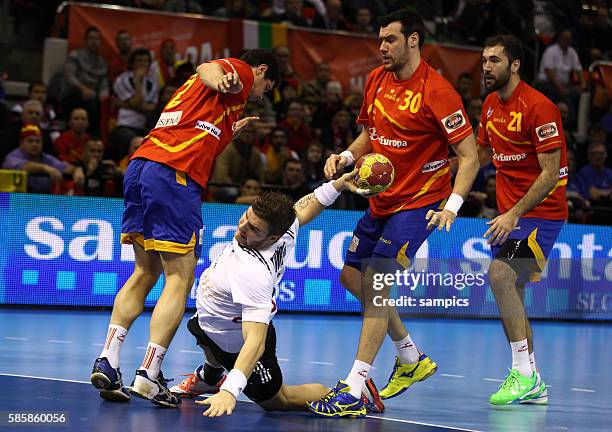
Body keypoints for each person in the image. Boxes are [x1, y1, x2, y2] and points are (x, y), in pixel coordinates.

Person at [307, 9, 479, 418]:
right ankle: (410, 356)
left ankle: (354, 385)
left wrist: (452, 206)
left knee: (377, 280)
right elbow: (371, 132)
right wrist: (346, 155)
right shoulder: (376, 79)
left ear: (414, 40)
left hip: (419, 203)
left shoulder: (438, 92)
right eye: (380, 39)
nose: (381, 47)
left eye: (390, 40)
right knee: (351, 276)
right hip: (381, 198)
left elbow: (469, 157)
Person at [89, 49, 279, 408]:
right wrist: (222, 76)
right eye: (266, 88)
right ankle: (148, 373)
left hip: (142, 166)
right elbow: (208, 68)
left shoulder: (217, 105)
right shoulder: (238, 75)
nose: (260, 95)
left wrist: (228, 133)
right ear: (262, 71)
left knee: (144, 271)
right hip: (174, 175)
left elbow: (202, 135)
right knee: (179, 277)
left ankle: (108, 360)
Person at [168, 172, 384, 416]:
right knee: (198, 329)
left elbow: (255, 341)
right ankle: (210, 375)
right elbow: (302, 209)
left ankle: (356, 394)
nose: (242, 228)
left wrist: (231, 389)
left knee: (278, 400)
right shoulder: (279, 227)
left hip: (239, 341)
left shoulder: (253, 272)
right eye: (246, 217)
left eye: (253, 229)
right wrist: (337, 185)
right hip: (213, 323)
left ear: (272, 237)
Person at [478, 34, 568, 405]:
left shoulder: (539, 106)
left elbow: (550, 173)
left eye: (495, 60)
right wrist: (428, 172)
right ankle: (533, 379)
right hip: (510, 215)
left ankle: (525, 375)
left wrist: (514, 214)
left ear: (515, 65)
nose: (485, 67)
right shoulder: (488, 105)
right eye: (484, 60)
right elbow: (480, 154)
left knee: (500, 275)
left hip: (540, 214)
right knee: (510, 290)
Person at [2, 123, 84, 194]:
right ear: (21, 143)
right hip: (12, 200)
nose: (35, 144)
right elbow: (25, 166)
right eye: (30, 141)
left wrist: (77, 170)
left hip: (42, 200)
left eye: (38, 141)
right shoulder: (12, 157)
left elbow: (63, 167)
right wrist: (46, 168)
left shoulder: (46, 158)